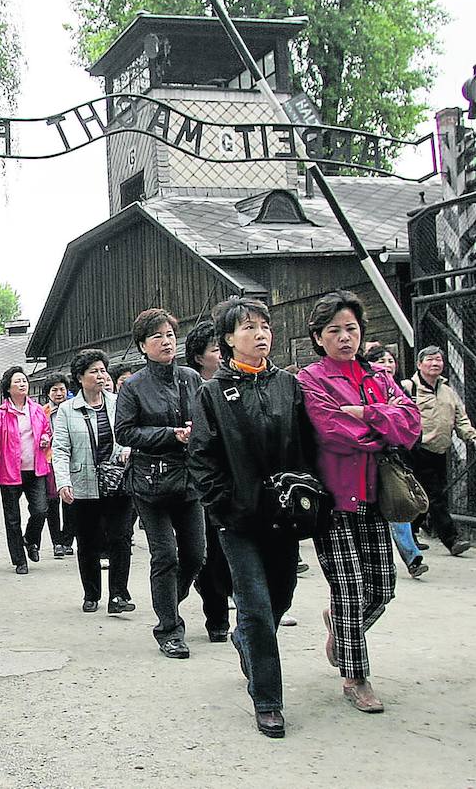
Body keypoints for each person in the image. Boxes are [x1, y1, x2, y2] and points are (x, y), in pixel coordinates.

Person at [189, 298, 316, 739]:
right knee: (258, 609)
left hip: (284, 519)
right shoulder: (211, 393)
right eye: (249, 328)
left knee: (280, 597)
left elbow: (304, 445)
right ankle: (268, 701)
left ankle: (245, 641)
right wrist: (224, 507)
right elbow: (202, 458)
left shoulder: (288, 385)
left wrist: (307, 495)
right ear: (228, 339)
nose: (261, 334)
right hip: (238, 521)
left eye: (265, 326)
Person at [298, 291, 420, 714]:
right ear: (318, 337)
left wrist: (366, 413)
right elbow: (331, 429)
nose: (344, 337)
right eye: (334, 331)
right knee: (349, 587)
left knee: (383, 588)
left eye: (351, 329)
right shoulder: (310, 379)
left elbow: (411, 425)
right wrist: (381, 422)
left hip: (375, 496)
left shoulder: (378, 377)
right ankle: (355, 677)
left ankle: (340, 628)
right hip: (333, 498)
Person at [114, 308, 206, 659]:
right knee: (165, 555)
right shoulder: (134, 386)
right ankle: (169, 628)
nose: (166, 341)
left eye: (169, 335)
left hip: (189, 480)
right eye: (157, 337)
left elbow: (205, 419)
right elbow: (125, 431)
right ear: (142, 346)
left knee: (196, 555)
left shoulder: (190, 377)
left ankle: (168, 599)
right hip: (150, 482)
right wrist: (171, 434)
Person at [53, 350, 135, 613]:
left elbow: (127, 433)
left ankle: (119, 595)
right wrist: (63, 482)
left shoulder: (118, 402)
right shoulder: (67, 410)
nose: (100, 376)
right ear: (80, 377)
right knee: (88, 540)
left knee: (121, 537)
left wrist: (126, 448)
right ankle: (92, 593)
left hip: (116, 481)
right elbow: (61, 448)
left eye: (102, 370)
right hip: (83, 482)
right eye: (94, 371)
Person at [400, 346, 475, 558]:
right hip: (416, 450)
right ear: (419, 364)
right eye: (430, 360)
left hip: (440, 451)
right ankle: (453, 540)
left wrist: (471, 436)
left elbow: (460, 419)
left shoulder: (448, 392)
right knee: (435, 496)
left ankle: (411, 531)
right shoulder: (408, 387)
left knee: (425, 496)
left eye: (439, 360)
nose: (435, 364)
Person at [362, 346, 429, 577]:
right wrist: (386, 412)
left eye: (390, 360)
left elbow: (410, 423)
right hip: (364, 464)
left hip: (395, 458)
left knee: (399, 505)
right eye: (381, 361)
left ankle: (412, 557)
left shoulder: (400, 389)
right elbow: (359, 423)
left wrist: (376, 414)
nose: (387, 365)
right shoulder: (366, 384)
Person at [185, 321, 232, 642]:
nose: (223, 355)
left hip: (239, 482)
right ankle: (217, 617)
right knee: (212, 553)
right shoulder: (190, 390)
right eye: (216, 350)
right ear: (199, 358)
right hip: (202, 486)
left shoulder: (235, 383)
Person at [0, 367, 53, 575]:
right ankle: (19, 560)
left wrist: (45, 439)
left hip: (35, 469)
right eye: (17, 381)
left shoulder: (37, 410)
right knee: (12, 518)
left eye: (24, 380)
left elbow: (46, 431)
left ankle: (31, 539)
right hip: (10, 472)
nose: (22, 384)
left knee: (41, 510)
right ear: (8, 387)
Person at [42, 377, 75, 558]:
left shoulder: (73, 408)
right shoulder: (42, 412)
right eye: (54, 390)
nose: (59, 393)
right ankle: (57, 542)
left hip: (72, 461)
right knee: (52, 502)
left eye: (62, 389)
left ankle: (68, 540)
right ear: (48, 393)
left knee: (71, 501)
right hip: (50, 461)